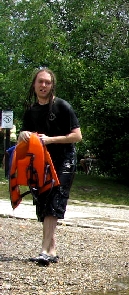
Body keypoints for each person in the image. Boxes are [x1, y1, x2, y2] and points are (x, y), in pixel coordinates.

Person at [18, 68, 82, 266]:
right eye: (40, 82)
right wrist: (22, 135)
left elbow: (77, 136)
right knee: (44, 203)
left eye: (47, 82)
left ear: (52, 85)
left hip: (64, 159)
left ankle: (44, 250)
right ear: (34, 85)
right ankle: (52, 250)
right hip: (41, 162)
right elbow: (24, 135)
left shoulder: (62, 106)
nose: (43, 85)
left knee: (54, 201)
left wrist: (51, 140)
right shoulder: (31, 110)